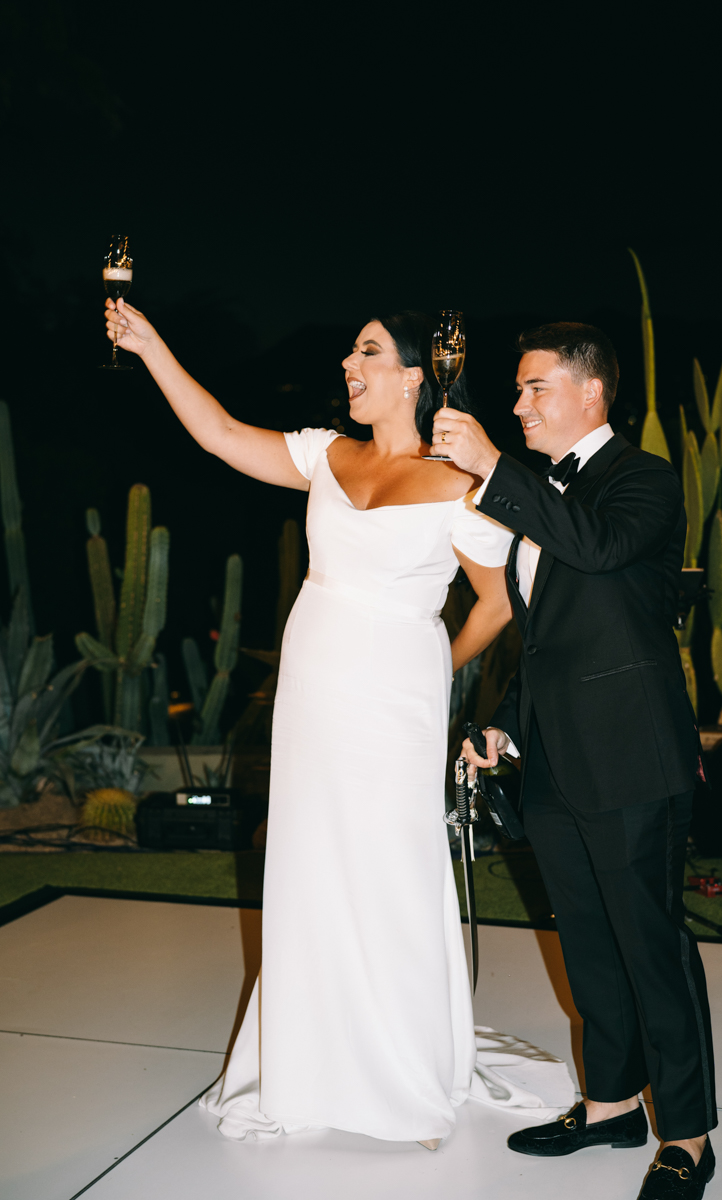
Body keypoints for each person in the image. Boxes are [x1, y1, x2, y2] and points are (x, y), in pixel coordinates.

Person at [103, 298, 515, 1148]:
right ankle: (308, 1060)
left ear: (414, 375)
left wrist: (438, 666)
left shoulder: (460, 483)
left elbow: (499, 601)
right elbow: (219, 433)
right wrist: (150, 347)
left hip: (395, 701)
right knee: (310, 860)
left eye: (366, 353)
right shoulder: (326, 455)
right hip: (315, 689)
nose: (347, 366)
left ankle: (402, 1065)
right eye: (349, 354)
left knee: (389, 866)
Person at [435, 322, 717, 1200]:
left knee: (650, 948)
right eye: (515, 392)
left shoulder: (644, 481)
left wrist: (491, 468)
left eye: (534, 388)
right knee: (588, 947)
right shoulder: (538, 494)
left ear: (591, 392)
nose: (517, 405)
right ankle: (608, 1107)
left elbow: (595, 549)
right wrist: (505, 728)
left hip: (632, 759)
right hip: (555, 762)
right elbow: (552, 642)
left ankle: (689, 1137)